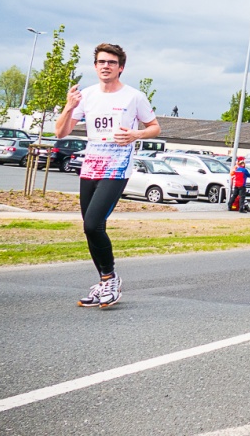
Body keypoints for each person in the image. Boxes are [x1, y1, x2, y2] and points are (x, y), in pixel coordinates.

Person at [55, 43, 161, 308]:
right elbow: (60, 133)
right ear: (95, 66)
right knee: (90, 228)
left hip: (116, 168)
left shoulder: (134, 97)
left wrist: (136, 134)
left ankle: (110, 279)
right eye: (101, 62)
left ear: (120, 67)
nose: (105, 66)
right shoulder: (86, 95)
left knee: (93, 223)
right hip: (90, 166)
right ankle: (104, 283)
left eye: (111, 63)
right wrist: (69, 107)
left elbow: (155, 127)